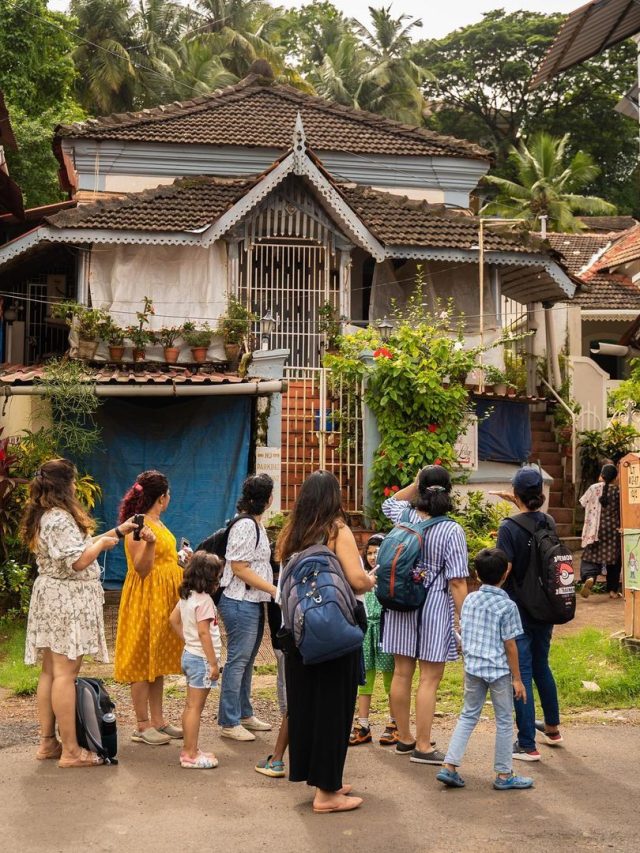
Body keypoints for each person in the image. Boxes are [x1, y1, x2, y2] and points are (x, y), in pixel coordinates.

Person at [22, 458, 137, 768]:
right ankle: (72, 751)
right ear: (65, 485)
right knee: (64, 674)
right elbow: (78, 562)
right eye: (72, 481)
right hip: (66, 602)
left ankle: (49, 742)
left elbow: (75, 549)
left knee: (51, 671)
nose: (76, 486)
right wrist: (99, 548)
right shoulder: (59, 518)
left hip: (55, 598)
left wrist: (117, 532)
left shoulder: (49, 516)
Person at [278, 470, 375, 814]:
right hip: (333, 635)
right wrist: (370, 579)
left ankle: (322, 778)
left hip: (299, 636)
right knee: (335, 711)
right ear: (334, 497)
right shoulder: (337, 530)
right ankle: (327, 794)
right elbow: (356, 580)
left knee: (308, 708)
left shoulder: (293, 534)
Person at [381, 465, 469, 765]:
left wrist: (415, 482)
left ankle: (404, 739)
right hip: (433, 606)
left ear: (420, 489)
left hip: (400, 604)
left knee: (402, 673)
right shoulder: (451, 529)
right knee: (429, 679)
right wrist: (464, 619)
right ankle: (423, 746)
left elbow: (389, 502)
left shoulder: (403, 518)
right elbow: (457, 581)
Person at [437, 548, 534, 791]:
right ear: (506, 573)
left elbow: (465, 631)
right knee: (503, 720)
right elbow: (510, 645)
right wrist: (518, 679)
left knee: (468, 715)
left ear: (477, 574)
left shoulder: (469, 599)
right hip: (499, 671)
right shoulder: (508, 606)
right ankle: (504, 774)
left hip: (473, 667)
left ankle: (449, 767)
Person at [496, 466, 563, 761]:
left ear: (517, 494)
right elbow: (532, 520)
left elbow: (505, 567)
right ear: (542, 494)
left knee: (519, 673)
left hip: (518, 609)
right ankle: (551, 728)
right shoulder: (548, 521)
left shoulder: (508, 527)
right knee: (540, 666)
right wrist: (518, 501)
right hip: (546, 606)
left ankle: (526, 743)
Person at [114, 470, 184, 746]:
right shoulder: (137, 526)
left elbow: (163, 560)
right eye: (168, 495)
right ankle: (142, 725)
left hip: (163, 597)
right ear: (162, 498)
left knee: (156, 660)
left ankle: (159, 720)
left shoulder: (157, 522)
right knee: (143, 658)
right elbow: (142, 568)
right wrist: (152, 544)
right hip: (145, 598)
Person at [217, 473, 276, 741]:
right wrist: (273, 589)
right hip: (240, 601)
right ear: (268, 499)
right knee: (238, 660)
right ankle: (229, 721)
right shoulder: (246, 526)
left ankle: (244, 712)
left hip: (252, 601)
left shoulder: (256, 525)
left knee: (247, 659)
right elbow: (239, 568)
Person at [169, 550, 223, 769]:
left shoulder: (187, 596)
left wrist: (188, 641)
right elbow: (204, 634)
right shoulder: (205, 601)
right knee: (195, 708)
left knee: (190, 706)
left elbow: (173, 620)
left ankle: (190, 748)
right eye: (217, 578)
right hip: (201, 660)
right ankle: (190, 754)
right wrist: (212, 663)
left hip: (190, 654)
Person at [349, 533, 397, 747]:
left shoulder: (390, 577)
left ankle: (394, 724)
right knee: (365, 679)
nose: (372, 556)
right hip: (367, 631)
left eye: (377, 551)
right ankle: (363, 724)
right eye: (369, 552)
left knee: (391, 680)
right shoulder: (362, 576)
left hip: (387, 630)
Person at [579, 463, 622, 599]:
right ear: (615, 478)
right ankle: (612, 591)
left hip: (594, 530)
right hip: (612, 530)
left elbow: (582, 502)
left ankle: (590, 577)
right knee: (614, 560)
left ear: (601, 475)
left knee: (590, 556)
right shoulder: (617, 491)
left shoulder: (593, 488)